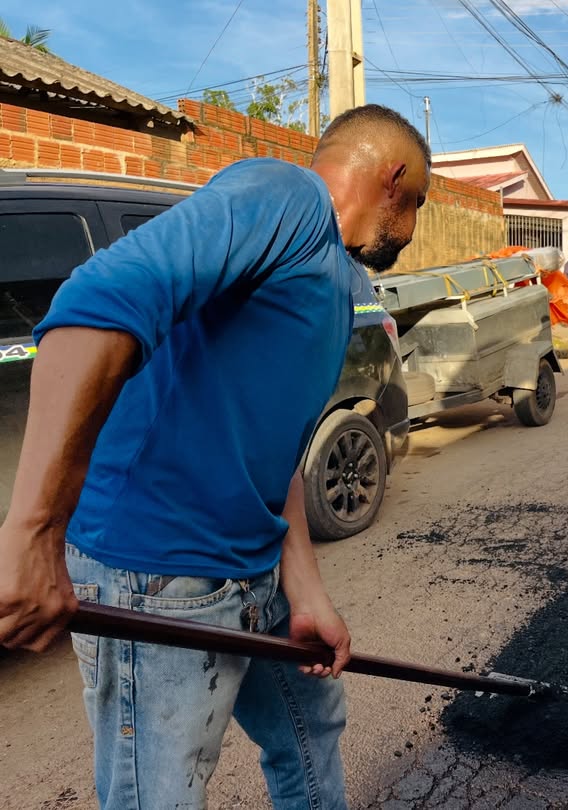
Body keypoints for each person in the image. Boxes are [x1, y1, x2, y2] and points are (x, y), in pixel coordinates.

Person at [0, 104, 431, 809]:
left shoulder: (333, 279)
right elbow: (94, 304)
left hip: (255, 572)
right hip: (158, 573)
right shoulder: (285, 195)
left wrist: (308, 592)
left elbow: (277, 444)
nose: (411, 232)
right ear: (393, 180)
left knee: (309, 732)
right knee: (160, 795)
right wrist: (34, 530)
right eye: (416, 206)